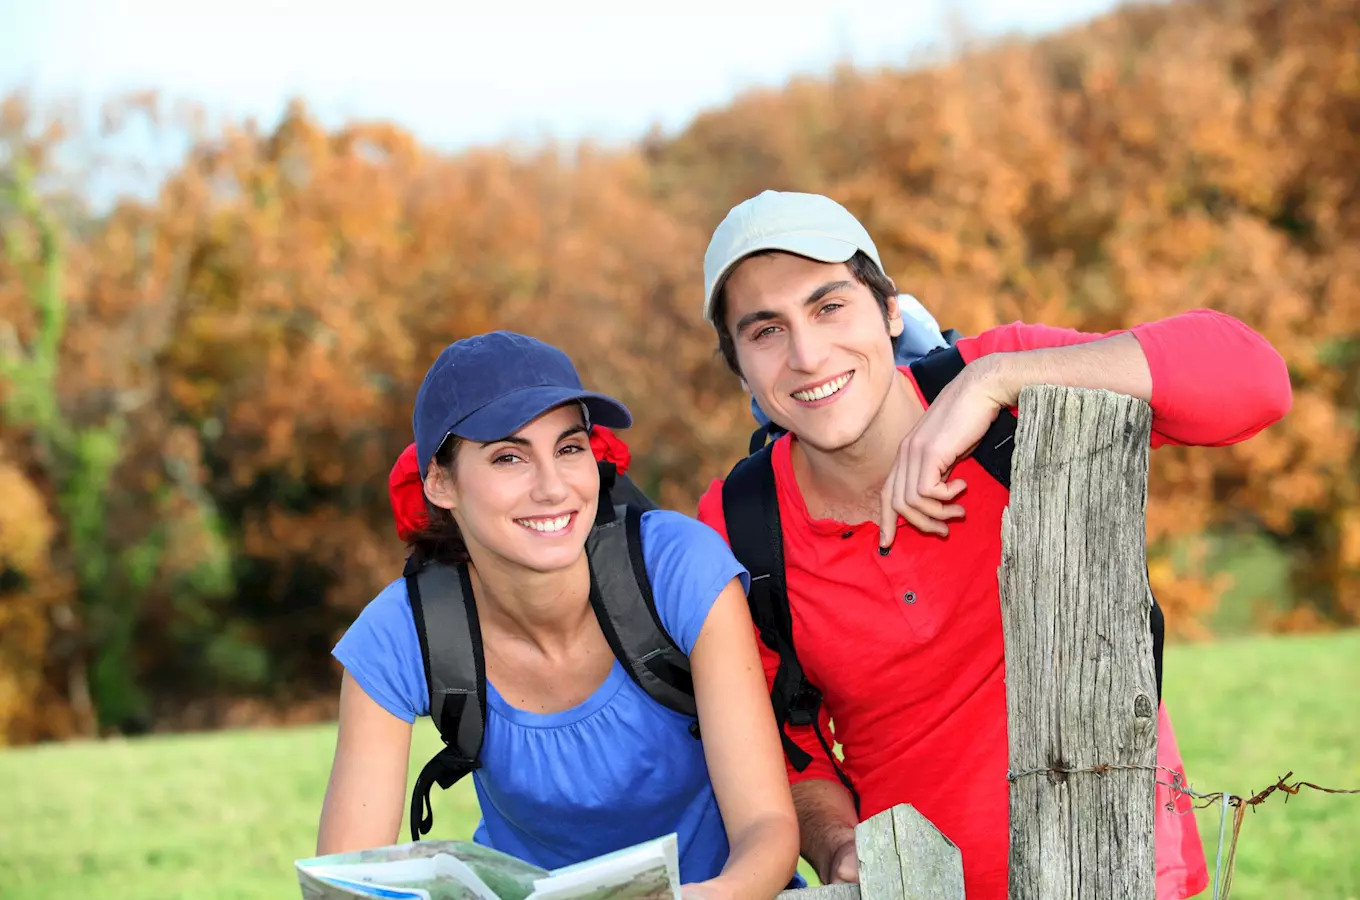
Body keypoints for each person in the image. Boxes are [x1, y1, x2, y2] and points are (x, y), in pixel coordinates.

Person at [693, 190, 1294, 900]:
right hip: (918, 890)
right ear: (738, 367)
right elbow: (782, 745)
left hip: (1120, 873)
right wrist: (837, 846)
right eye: (766, 331)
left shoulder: (1006, 383)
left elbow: (1256, 380)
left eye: (830, 307)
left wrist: (995, 380)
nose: (807, 353)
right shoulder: (739, 521)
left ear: (889, 311)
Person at [318, 331, 801, 899]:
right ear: (440, 482)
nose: (553, 488)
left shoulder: (677, 569)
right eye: (508, 457)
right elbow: (348, 883)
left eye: (569, 448)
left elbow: (766, 829)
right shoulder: (402, 635)